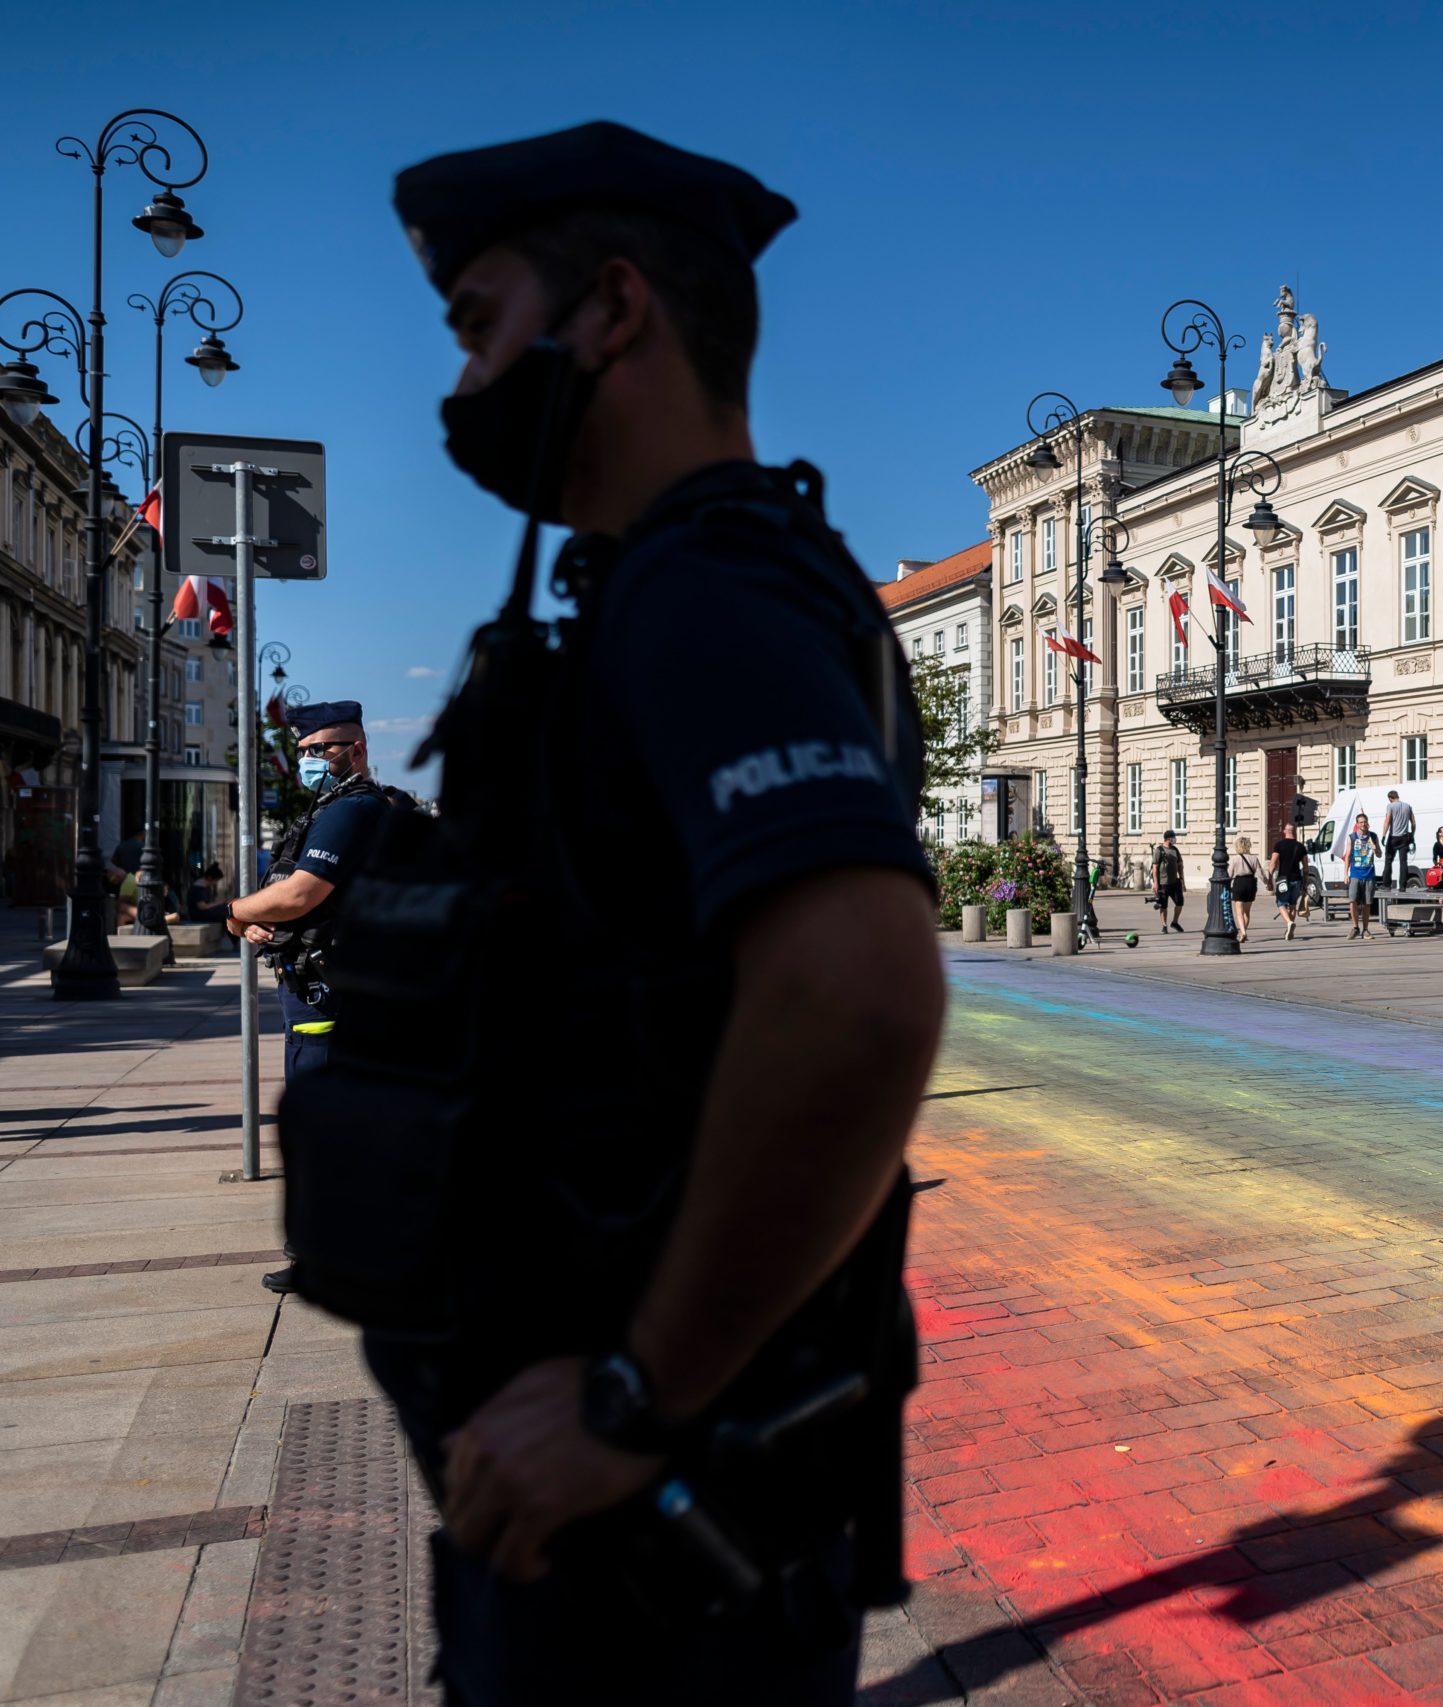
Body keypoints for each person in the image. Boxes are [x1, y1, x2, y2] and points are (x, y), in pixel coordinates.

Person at [285, 121, 946, 1704]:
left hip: (655, 1513)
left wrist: (638, 1396)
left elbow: (859, 992)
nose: (461, 385)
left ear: (615, 311)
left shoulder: (711, 590)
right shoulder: (673, 584)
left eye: (479, 324)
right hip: (607, 1479)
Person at [217, 700, 414, 1295]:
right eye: (302, 752)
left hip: (330, 996)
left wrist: (232, 912)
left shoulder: (351, 808)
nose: (309, 761)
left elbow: (301, 893)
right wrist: (259, 921)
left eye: (320, 750)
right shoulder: (352, 808)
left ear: (355, 749)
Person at [1342, 811, 1384, 939]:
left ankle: (1365, 930)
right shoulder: (1352, 837)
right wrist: (1346, 874)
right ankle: (1355, 927)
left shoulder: (1373, 836)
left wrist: (1375, 847)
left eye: (1365, 822)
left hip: (1369, 874)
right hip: (1355, 874)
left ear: (1368, 824)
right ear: (1357, 824)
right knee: (1352, 900)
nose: (1363, 824)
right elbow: (1348, 856)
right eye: (1361, 822)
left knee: (1367, 903)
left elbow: (1379, 854)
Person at [1266, 823, 1309, 940]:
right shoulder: (1301, 847)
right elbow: (1306, 868)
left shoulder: (1279, 845)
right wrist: (1305, 883)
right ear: (1294, 831)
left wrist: (1269, 879)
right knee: (1292, 904)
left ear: (1285, 831)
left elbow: (1273, 863)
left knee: (1280, 903)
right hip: (1296, 879)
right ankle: (1290, 930)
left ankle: (1289, 923)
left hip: (1282, 879)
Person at [1153, 829, 1186, 932]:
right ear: (1168, 839)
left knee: (1180, 903)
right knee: (1163, 905)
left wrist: (1182, 879)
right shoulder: (1159, 850)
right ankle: (1164, 925)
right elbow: (1155, 868)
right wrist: (1155, 883)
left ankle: (1175, 922)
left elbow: (1180, 865)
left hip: (1175, 882)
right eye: (1173, 838)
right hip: (1163, 883)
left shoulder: (1175, 850)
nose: (1174, 839)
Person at [1383, 789, 1416, 890]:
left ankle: (1387, 885)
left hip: (1393, 837)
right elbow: (1413, 823)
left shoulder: (1390, 806)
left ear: (1390, 798)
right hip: (1404, 837)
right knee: (1403, 862)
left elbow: (1387, 821)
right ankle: (1402, 886)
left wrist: (1383, 835)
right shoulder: (1408, 806)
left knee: (1388, 860)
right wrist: (1412, 835)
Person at [1228, 835, 1258, 946]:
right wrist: (1268, 883)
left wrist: (1227, 885)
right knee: (1247, 912)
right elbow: (1260, 873)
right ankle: (1243, 932)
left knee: (1239, 912)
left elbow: (1229, 875)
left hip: (1239, 884)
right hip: (1250, 884)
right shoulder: (1254, 858)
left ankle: (1243, 932)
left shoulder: (1234, 859)